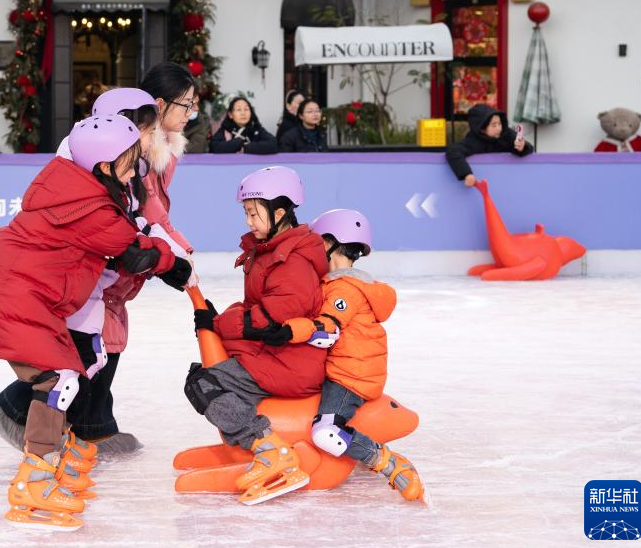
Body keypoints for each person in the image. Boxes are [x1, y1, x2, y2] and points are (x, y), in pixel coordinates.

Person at [0, 114, 188, 530]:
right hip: (17, 300)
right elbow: (133, 251)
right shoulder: (89, 206)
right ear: (104, 165)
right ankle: (35, 480)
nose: (135, 170)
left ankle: (55, 458)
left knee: (83, 363)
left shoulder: (78, 185)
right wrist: (174, 264)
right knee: (59, 381)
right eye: (129, 161)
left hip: (23, 294)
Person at [0, 64, 199, 456]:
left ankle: (83, 428)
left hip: (88, 278)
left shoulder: (132, 162)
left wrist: (170, 250)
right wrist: (171, 259)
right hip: (59, 284)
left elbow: (143, 219)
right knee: (75, 361)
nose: (190, 113)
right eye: (186, 104)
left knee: (92, 351)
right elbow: (133, 229)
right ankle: (44, 441)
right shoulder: (99, 175)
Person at [186, 166, 329, 505]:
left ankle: (269, 449)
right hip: (276, 356)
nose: (248, 221)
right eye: (246, 213)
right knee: (203, 379)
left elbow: (269, 316)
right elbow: (254, 308)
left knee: (204, 384)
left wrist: (219, 325)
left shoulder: (292, 261)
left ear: (279, 213)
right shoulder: (269, 251)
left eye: (253, 213)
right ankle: (255, 444)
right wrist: (218, 318)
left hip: (291, 362)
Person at [281, 209, 425, 502]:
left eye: (316, 244)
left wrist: (285, 330)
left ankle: (387, 462)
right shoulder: (343, 284)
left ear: (328, 243)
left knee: (325, 432)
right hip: (351, 367)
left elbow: (327, 332)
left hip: (350, 377)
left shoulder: (344, 289)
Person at [446, 104, 533, 187]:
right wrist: (466, 174)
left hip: (508, 180)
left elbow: (528, 147)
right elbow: (453, 151)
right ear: (482, 129)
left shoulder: (506, 133)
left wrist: (522, 147)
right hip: (484, 182)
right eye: (493, 125)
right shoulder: (473, 141)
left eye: (499, 123)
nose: (498, 128)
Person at [209, 96, 278, 155]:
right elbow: (214, 147)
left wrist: (246, 148)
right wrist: (238, 142)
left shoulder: (256, 129)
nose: (243, 113)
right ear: (230, 115)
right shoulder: (225, 130)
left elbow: (273, 144)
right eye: (239, 109)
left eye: (246, 109)